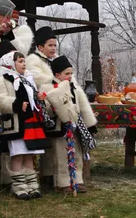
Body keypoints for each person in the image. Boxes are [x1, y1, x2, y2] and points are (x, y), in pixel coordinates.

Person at [0, 49, 51, 199]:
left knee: (29, 155)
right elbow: (0, 99)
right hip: (16, 123)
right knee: (18, 155)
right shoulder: (2, 78)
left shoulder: (26, 79)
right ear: (10, 63)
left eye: (24, 61)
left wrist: (38, 97)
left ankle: (32, 185)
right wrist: (16, 104)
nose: (23, 64)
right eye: (20, 61)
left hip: (30, 121)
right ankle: (18, 186)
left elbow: (31, 97)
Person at [40, 55, 98, 193]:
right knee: (60, 156)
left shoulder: (75, 89)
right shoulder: (48, 88)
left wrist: (90, 124)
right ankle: (63, 182)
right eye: (67, 74)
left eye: (71, 73)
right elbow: (47, 108)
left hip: (75, 127)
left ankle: (77, 179)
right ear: (57, 74)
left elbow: (83, 106)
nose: (70, 76)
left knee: (76, 154)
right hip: (59, 129)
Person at [25, 26, 57, 184]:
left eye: (54, 45)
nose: (53, 48)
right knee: (45, 139)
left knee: (53, 139)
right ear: (40, 47)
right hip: (40, 104)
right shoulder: (32, 60)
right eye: (50, 45)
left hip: (54, 102)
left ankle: (51, 172)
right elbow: (37, 79)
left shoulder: (54, 60)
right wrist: (56, 81)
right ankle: (44, 173)